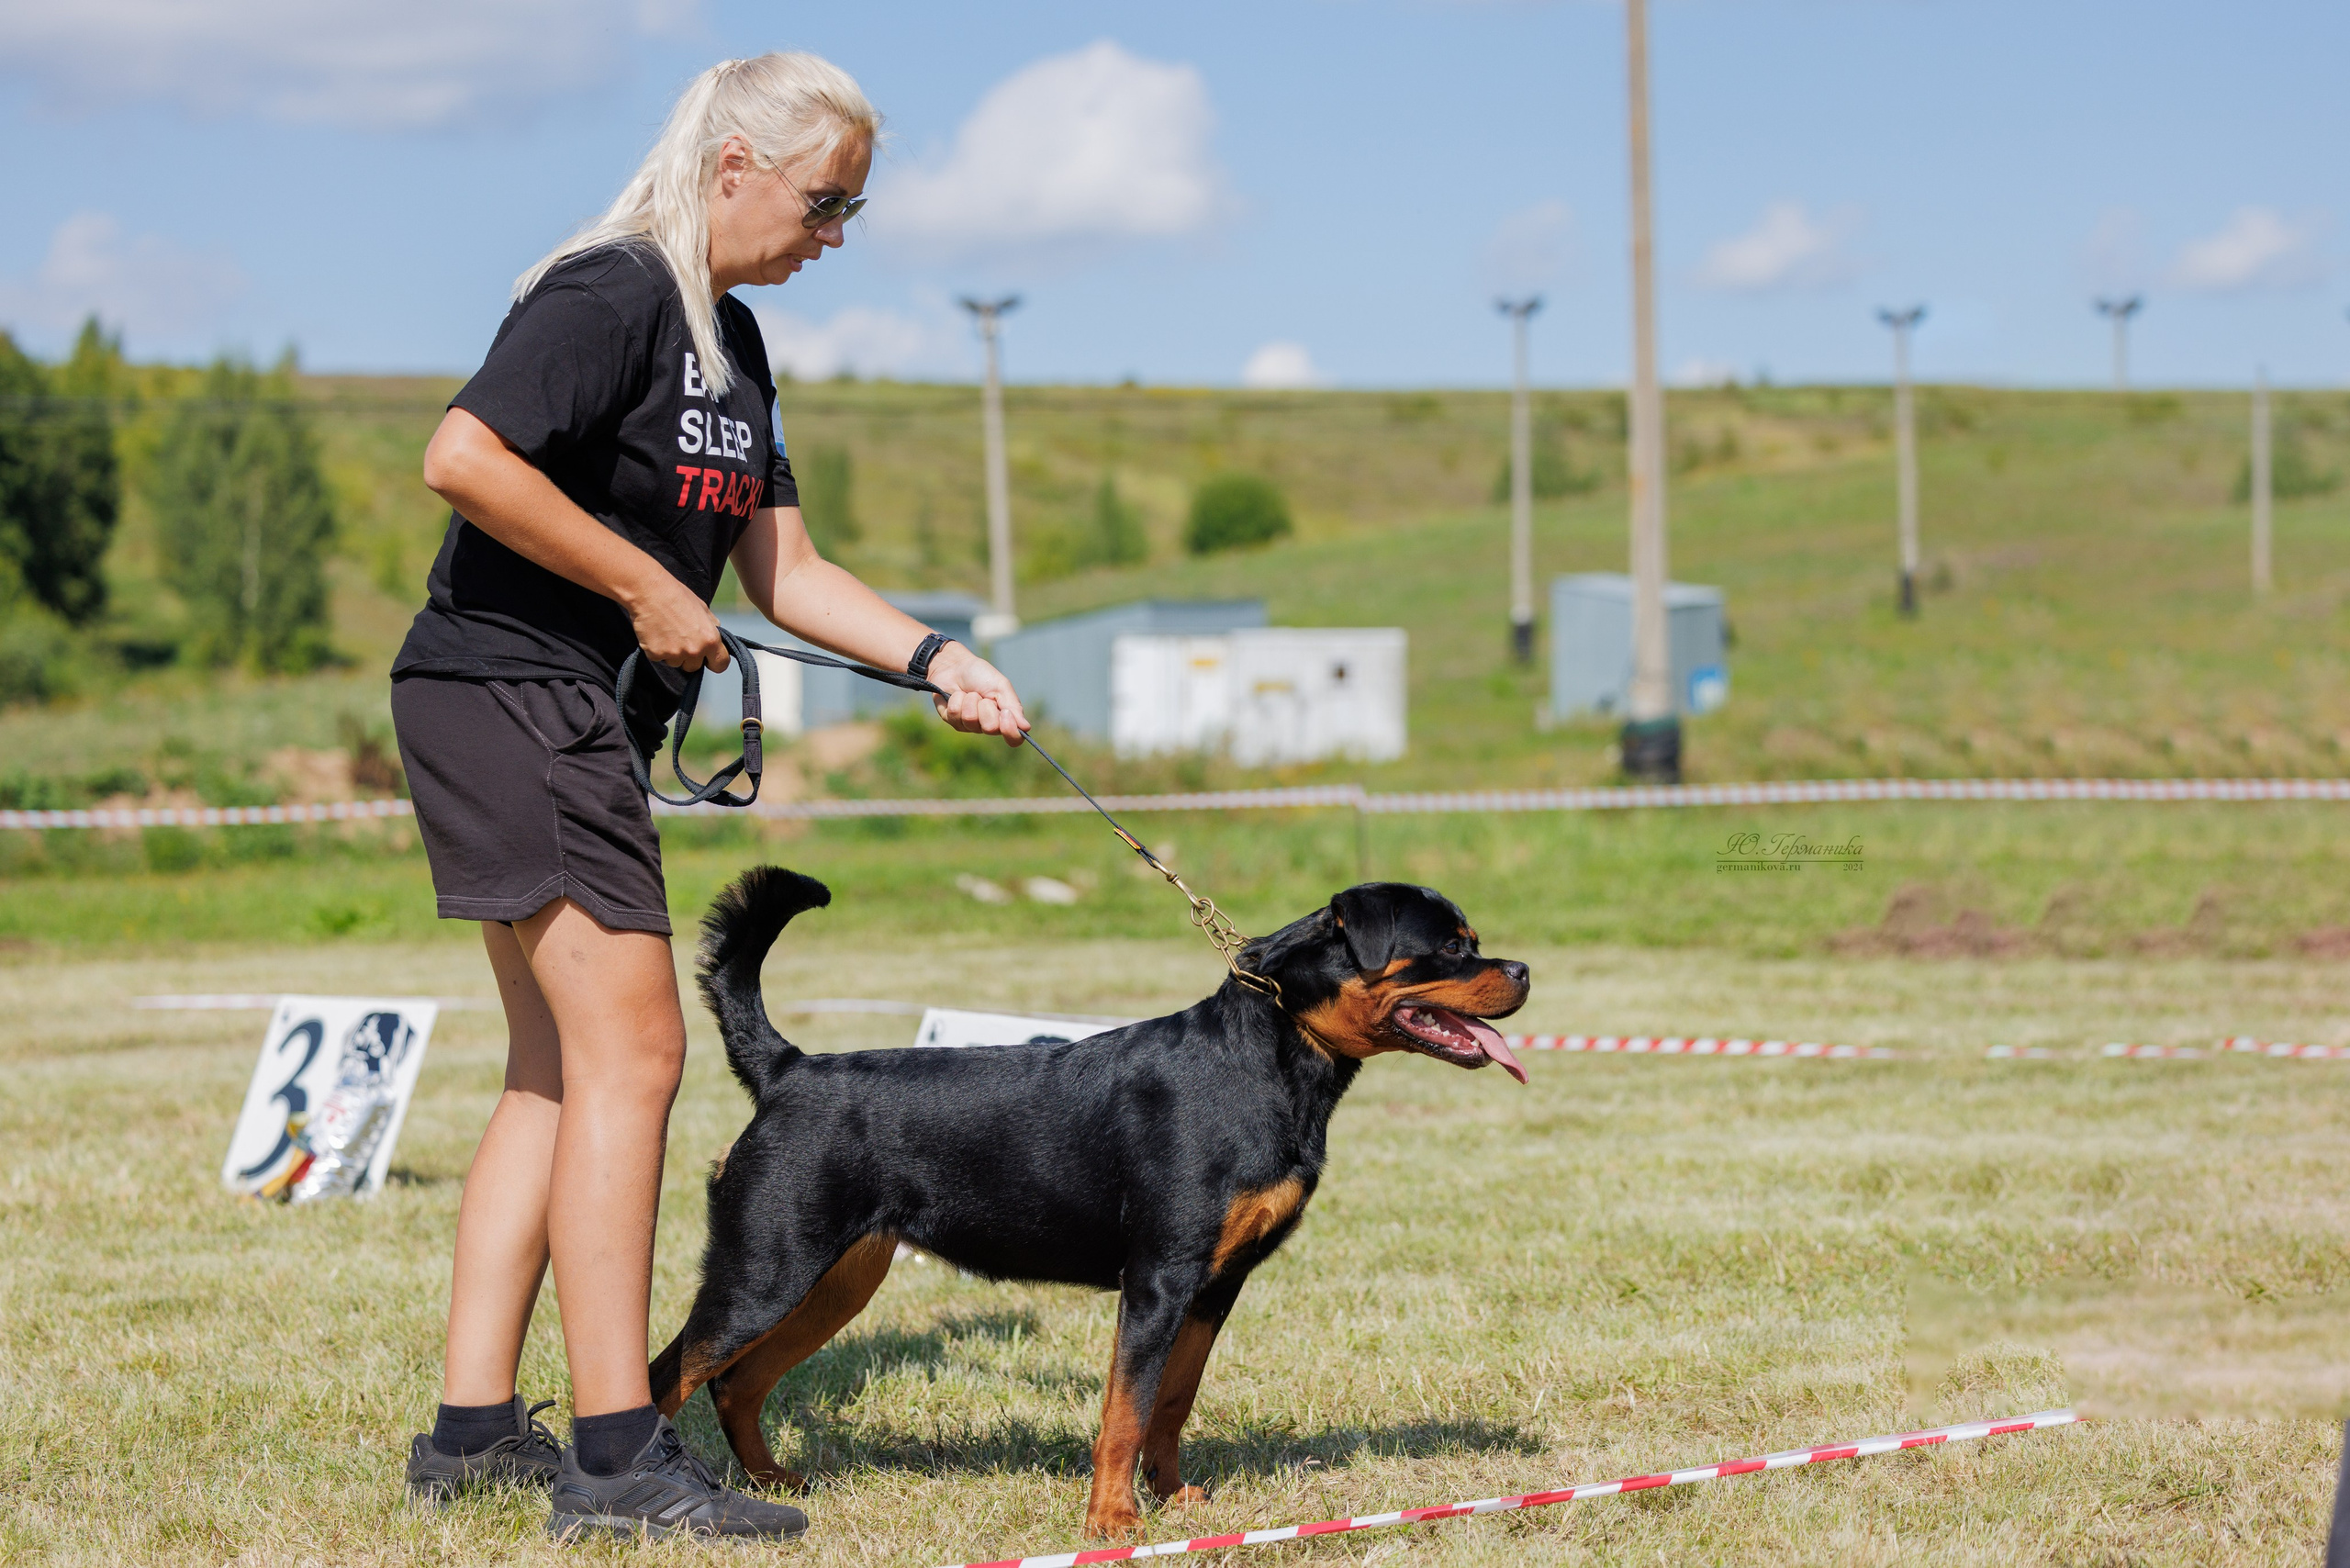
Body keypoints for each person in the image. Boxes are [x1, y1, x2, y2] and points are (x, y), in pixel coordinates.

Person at [388, 52, 1028, 1543]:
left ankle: (474, 1433)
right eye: (826, 201)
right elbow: (461, 456)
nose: (836, 235)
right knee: (639, 1056)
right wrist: (630, 581)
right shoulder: (612, 291)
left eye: (853, 210)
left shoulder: (734, 343)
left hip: (556, 711)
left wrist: (940, 659)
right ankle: (618, 1459)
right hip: (509, 691)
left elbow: (787, 575)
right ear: (736, 163)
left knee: (556, 1065)